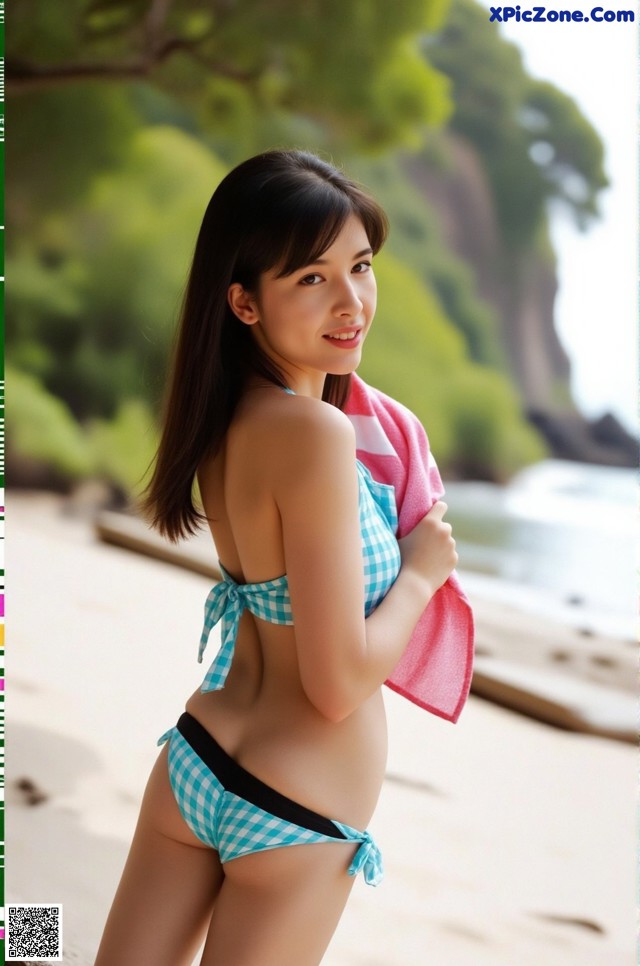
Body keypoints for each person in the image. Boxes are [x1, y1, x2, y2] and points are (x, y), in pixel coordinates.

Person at [95, 149, 458, 966]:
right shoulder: (317, 434)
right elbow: (335, 683)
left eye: (360, 268)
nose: (351, 302)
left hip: (198, 758)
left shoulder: (223, 417)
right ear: (243, 301)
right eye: (310, 279)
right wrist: (422, 574)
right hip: (297, 803)